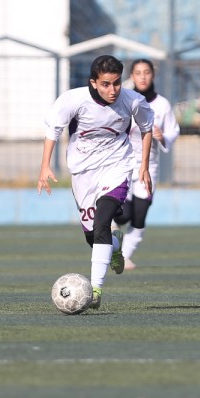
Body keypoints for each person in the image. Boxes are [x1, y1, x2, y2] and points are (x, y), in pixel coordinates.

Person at [38, 55, 154, 310]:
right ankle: (114, 246)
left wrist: (143, 166)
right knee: (94, 236)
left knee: (103, 220)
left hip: (117, 167)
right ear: (93, 82)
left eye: (116, 84)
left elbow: (147, 128)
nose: (112, 91)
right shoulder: (74, 100)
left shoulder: (133, 101)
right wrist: (45, 165)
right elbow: (52, 131)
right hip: (83, 172)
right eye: (105, 84)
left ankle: (95, 290)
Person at [113, 59, 181, 269]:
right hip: (122, 165)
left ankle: (122, 256)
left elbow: (173, 131)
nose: (142, 77)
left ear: (153, 75)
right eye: (138, 73)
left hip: (148, 168)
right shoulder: (123, 100)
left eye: (146, 72)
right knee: (124, 215)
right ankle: (111, 227)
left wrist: (161, 136)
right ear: (132, 76)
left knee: (139, 216)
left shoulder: (162, 104)